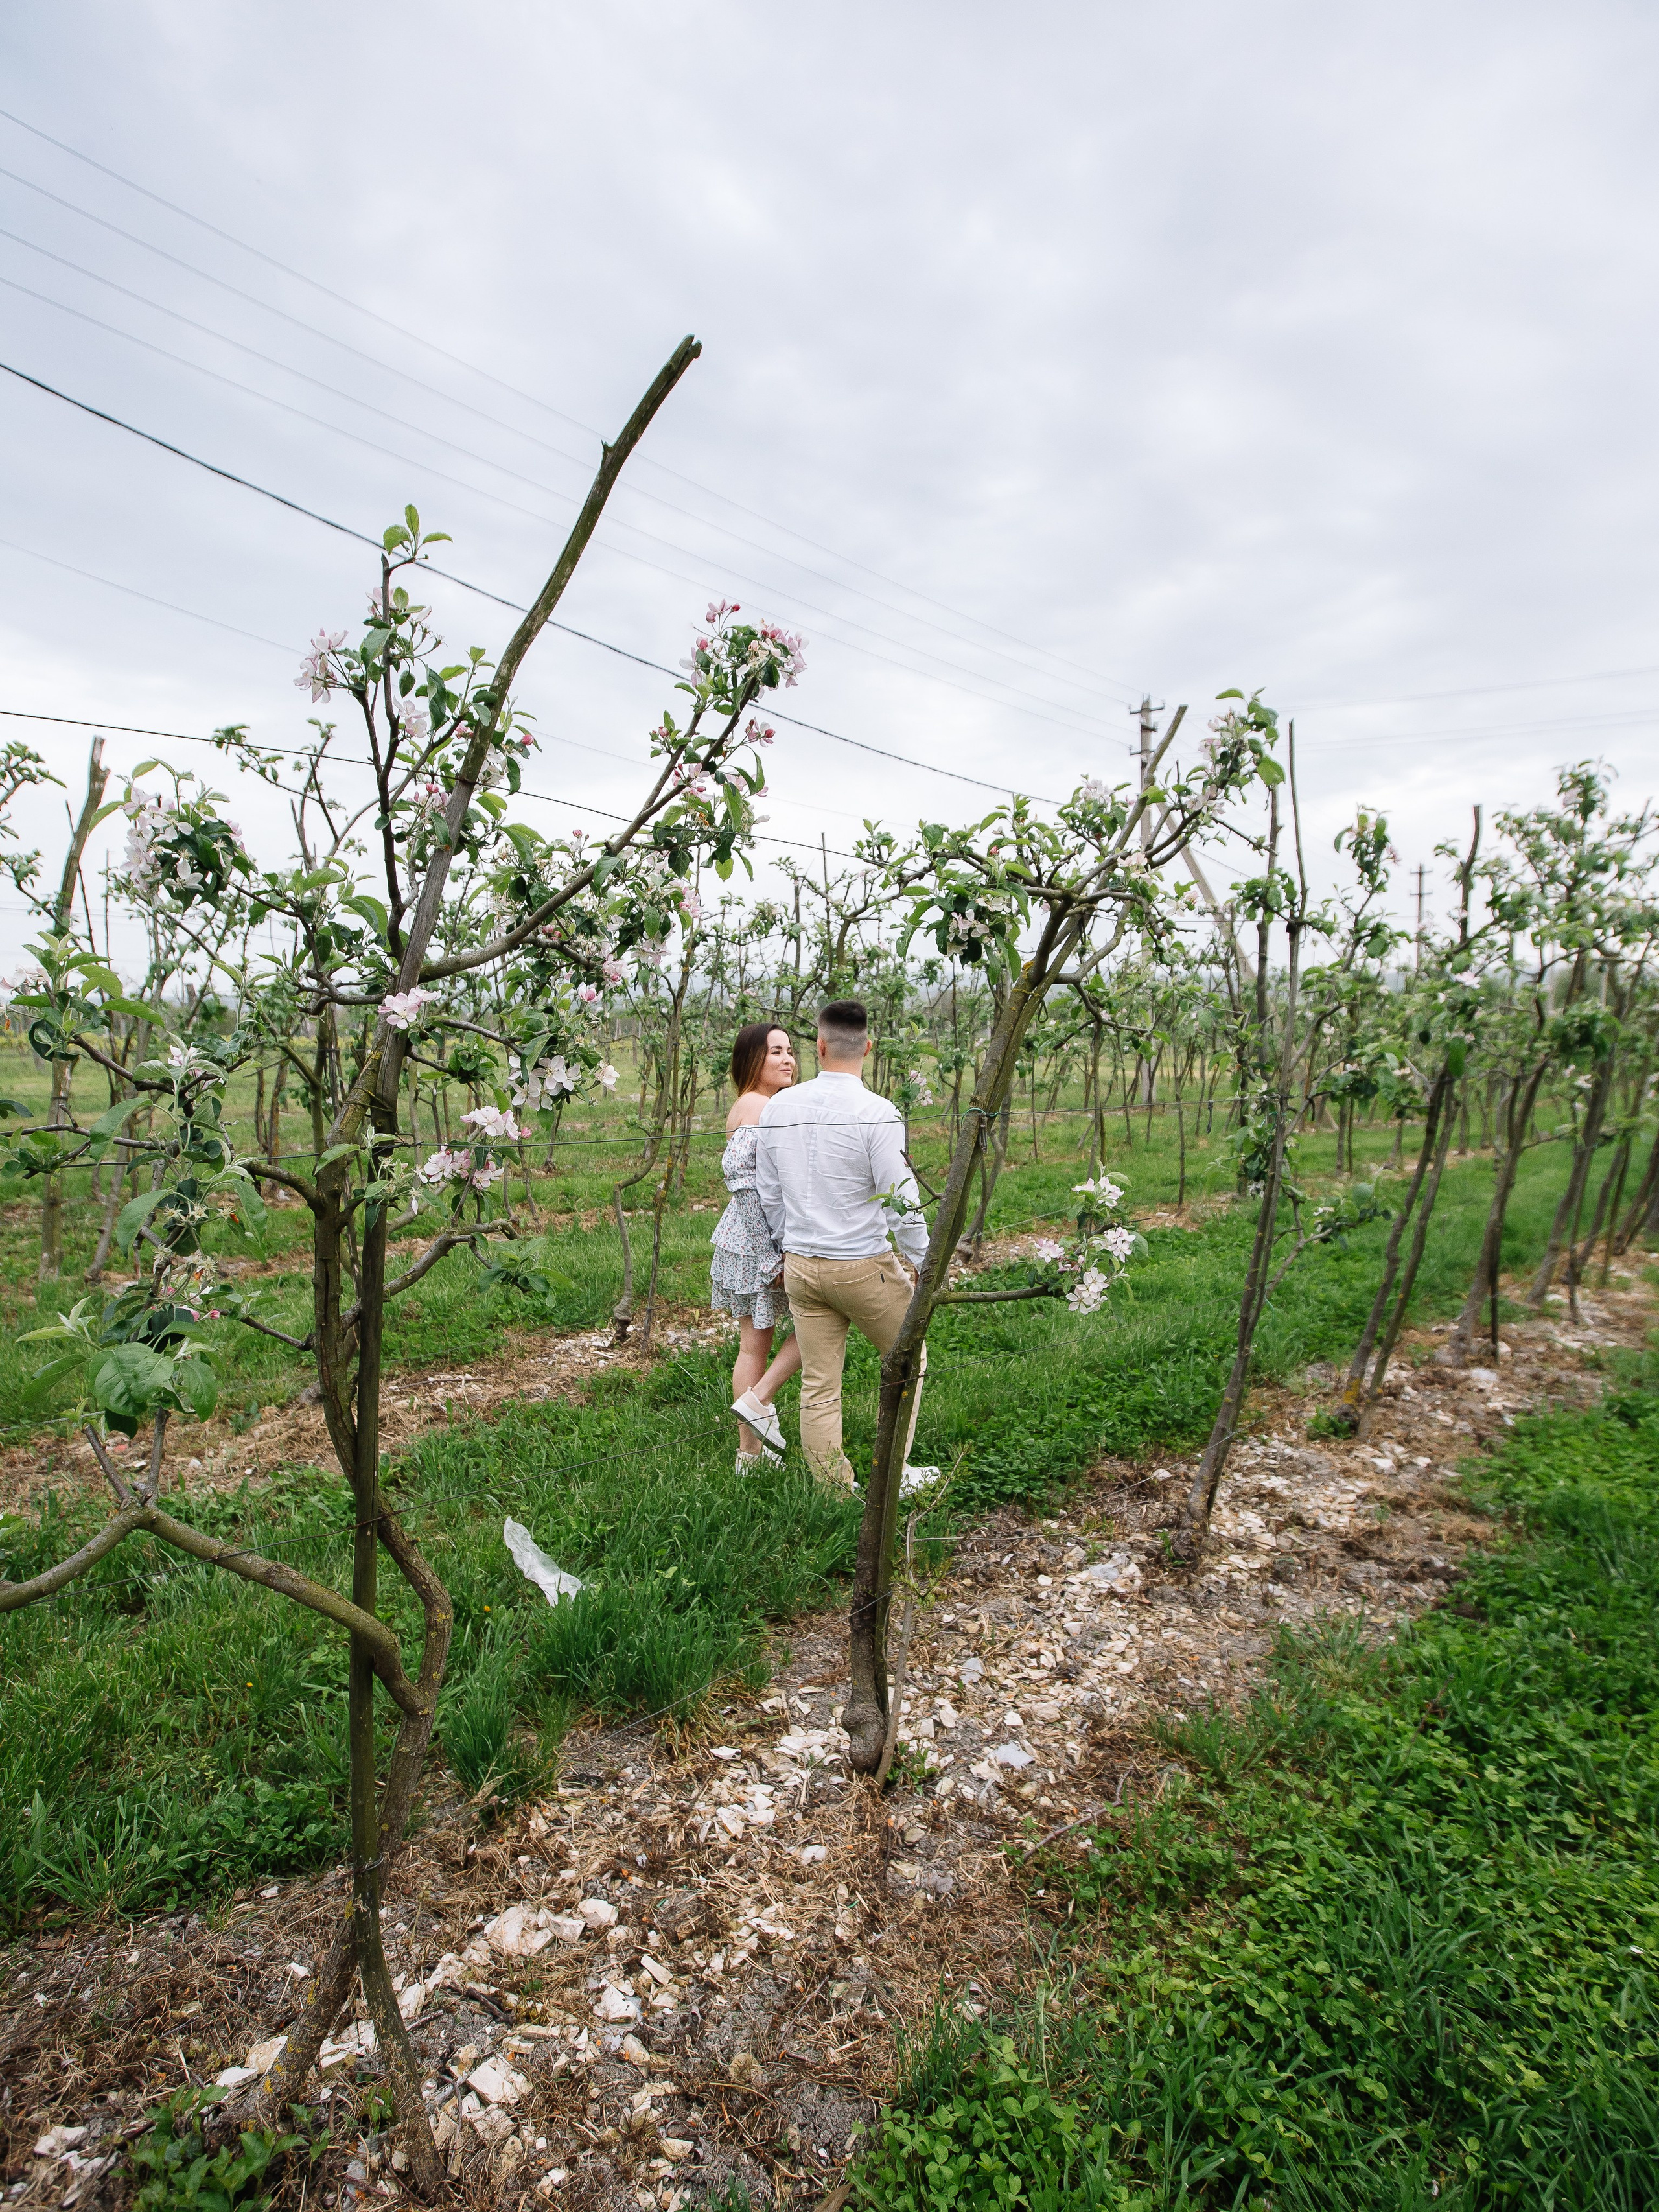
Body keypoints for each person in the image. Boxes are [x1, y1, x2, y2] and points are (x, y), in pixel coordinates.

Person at [754, 998, 930, 1491]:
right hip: (862, 1266)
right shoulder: (878, 1112)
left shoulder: (780, 1107)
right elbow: (900, 1201)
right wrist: (925, 1260)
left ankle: (833, 1491)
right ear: (868, 1047)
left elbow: (770, 1191)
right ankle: (892, 1476)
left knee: (819, 1382)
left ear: (820, 1045)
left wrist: (787, 1246)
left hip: (802, 1265)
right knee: (908, 1360)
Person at [710, 1021, 804, 1471]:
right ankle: (756, 1412)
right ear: (753, 1059)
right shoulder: (758, 1106)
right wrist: (771, 1257)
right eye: (775, 1052)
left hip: (748, 1237)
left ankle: (749, 1454)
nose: (788, 1060)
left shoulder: (757, 1103)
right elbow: (746, 1188)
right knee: (819, 1321)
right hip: (756, 1240)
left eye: (790, 1051)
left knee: (753, 1347)